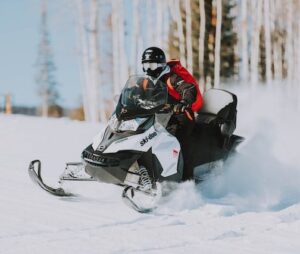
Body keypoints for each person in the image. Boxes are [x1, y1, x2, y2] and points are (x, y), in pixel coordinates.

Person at [141, 46, 203, 180]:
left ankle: (186, 180)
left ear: (160, 65)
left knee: (178, 143)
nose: (148, 69)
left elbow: (188, 88)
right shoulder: (148, 82)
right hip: (161, 118)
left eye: (151, 65)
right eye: (145, 65)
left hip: (181, 117)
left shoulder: (172, 77)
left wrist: (184, 102)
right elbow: (140, 95)